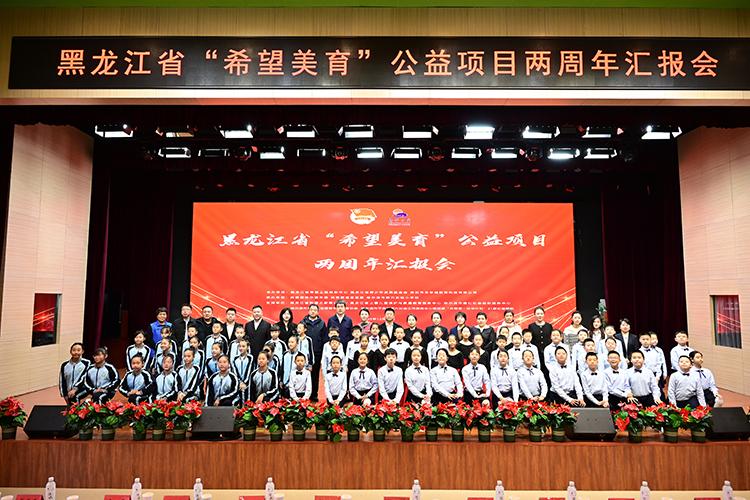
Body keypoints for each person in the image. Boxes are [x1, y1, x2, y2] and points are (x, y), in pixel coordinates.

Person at [302, 303, 327, 402]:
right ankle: (304, 395)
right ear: (308, 311)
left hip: (317, 352)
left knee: (315, 374)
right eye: (311, 309)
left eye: (315, 310)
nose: (313, 311)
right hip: (305, 354)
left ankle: (314, 395)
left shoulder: (322, 323)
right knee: (304, 374)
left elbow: (324, 338)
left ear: (317, 312)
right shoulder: (303, 322)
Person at [231, 339, 253, 403]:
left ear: (247, 347)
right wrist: (239, 382)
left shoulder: (250, 358)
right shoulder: (235, 358)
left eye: (243, 346)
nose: (241, 348)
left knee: (246, 400)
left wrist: (245, 382)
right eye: (240, 346)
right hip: (238, 383)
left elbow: (249, 370)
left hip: (247, 383)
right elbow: (235, 372)